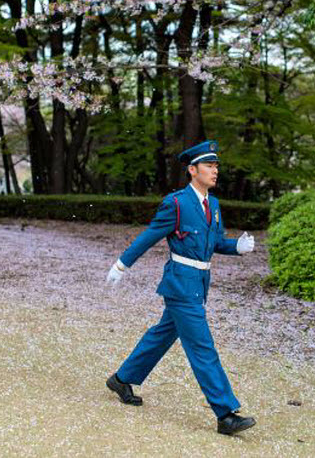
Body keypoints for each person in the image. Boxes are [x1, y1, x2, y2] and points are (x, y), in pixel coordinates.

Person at [105, 140, 257, 435]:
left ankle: (122, 379)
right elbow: (150, 235)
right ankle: (225, 413)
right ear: (192, 170)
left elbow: (214, 243)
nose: (215, 171)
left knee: (162, 335)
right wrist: (122, 264)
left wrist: (237, 247)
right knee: (202, 347)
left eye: (216, 166)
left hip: (199, 284)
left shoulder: (212, 204)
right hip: (180, 286)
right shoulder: (176, 203)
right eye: (209, 166)